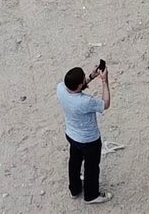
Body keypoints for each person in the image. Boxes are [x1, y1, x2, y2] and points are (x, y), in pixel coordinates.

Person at [58, 65, 113, 204]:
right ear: (79, 85)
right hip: (89, 140)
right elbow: (105, 104)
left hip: (71, 134)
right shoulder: (86, 102)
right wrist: (104, 81)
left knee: (74, 162)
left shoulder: (60, 89)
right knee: (91, 167)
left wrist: (91, 76)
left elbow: (76, 87)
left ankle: (74, 189)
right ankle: (91, 195)